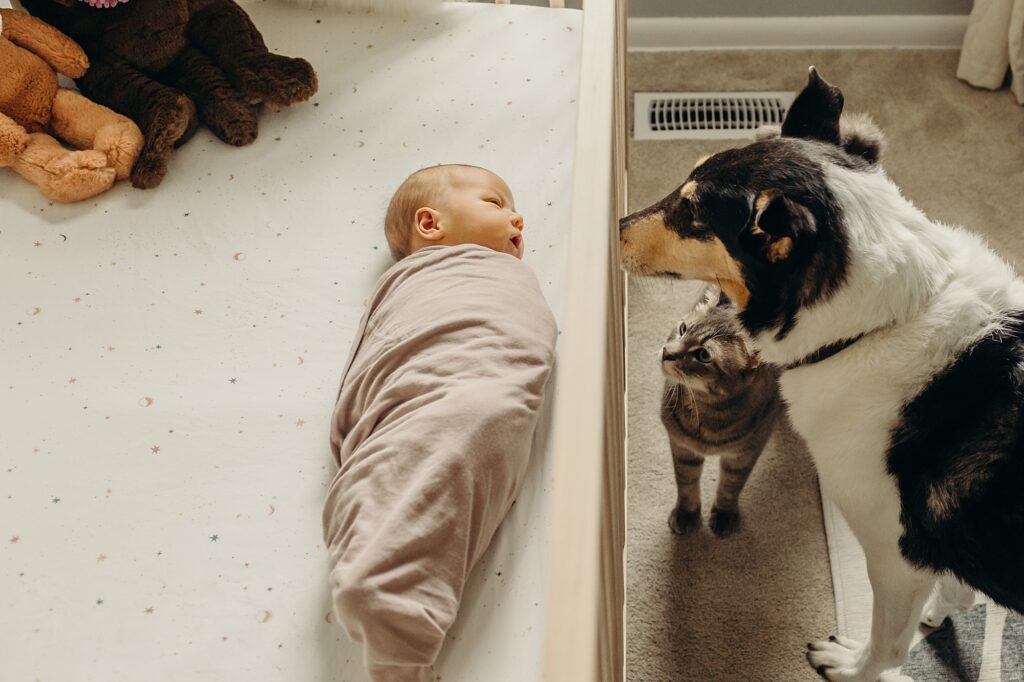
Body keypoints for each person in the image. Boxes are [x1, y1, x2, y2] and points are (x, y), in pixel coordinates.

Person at [323, 164, 556, 682]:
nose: (518, 216)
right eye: (496, 203)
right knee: (441, 442)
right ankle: (387, 605)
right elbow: (395, 353)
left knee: (445, 456)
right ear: (431, 226)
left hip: (479, 380)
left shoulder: (490, 275)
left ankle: (381, 578)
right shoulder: (426, 278)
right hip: (446, 386)